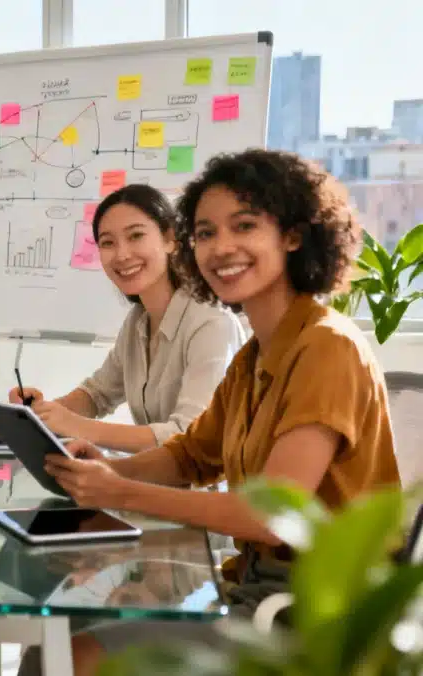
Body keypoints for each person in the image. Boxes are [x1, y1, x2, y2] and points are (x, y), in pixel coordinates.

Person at [29, 149, 401, 675]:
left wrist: (118, 490)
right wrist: (107, 468)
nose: (220, 247)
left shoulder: (326, 347)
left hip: (314, 613)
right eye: (205, 233)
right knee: (60, 634)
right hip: (253, 585)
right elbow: (189, 457)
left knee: (72, 653)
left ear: (293, 235)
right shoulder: (255, 354)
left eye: (243, 226)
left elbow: (273, 515)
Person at [8, 184, 245, 453]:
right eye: (108, 242)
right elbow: (97, 394)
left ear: (170, 239)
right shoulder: (139, 321)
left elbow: (188, 435)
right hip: (154, 483)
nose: (121, 254)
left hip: (204, 492)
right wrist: (40, 412)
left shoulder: (211, 322)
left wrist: (76, 426)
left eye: (136, 236)